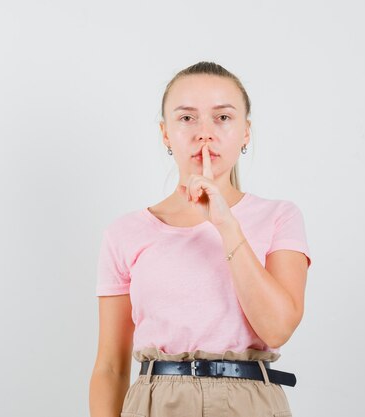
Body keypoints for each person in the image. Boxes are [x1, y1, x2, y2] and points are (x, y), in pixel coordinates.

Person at [89, 61, 311, 417]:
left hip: (249, 401)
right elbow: (111, 367)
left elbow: (278, 327)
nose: (204, 133)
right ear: (165, 134)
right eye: (187, 118)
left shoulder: (280, 216)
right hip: (155, 402)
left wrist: (225, 223)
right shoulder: (125, 232)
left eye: (222, 118)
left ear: (246, 132)